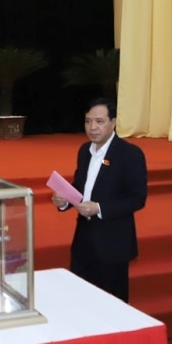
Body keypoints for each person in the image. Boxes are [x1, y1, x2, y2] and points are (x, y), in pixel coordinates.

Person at [51, 97, 147, 302]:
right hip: (83, 238)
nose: (92, 127)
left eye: (99, 121)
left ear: (113, 123)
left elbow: (137, 198)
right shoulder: (84, 151)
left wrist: (99, 208)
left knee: (111, 302)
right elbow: (81, 186)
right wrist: (65, 200)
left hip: (113, 242)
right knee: (80, 298)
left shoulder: (130, 154)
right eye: (88, 121)